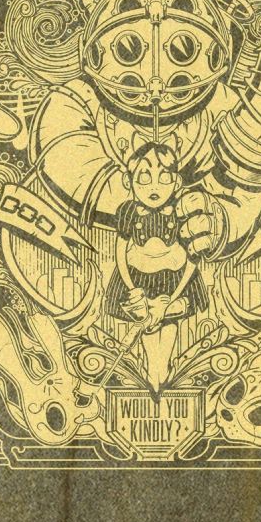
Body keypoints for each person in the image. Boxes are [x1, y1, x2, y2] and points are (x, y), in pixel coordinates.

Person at [105, 140, 210, 391]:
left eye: (164, 178)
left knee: (168, 327)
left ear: (176, 182)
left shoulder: (182, 210)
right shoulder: (128, 211)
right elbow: (120, 253)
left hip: (175, 281)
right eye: (144, 177)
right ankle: (155, 375)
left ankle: (161, 374)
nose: (154, 186)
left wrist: (170, 299)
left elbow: (192, 259)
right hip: (139, 280)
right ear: (129, 181)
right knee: (149, 329)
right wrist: (133, 290)